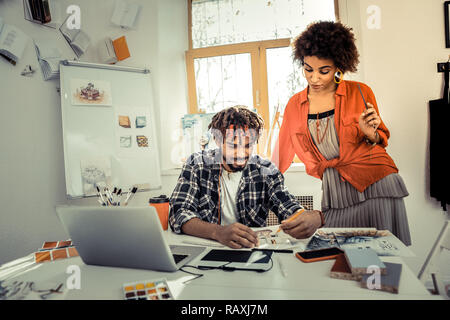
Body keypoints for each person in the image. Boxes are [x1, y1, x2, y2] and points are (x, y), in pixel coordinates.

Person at [272, 21, 411, 245]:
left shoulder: (360, 92)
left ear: (339, 67)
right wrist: (261, 181)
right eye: (308, 69)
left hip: (376, 183)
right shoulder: (294, 104)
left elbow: (380, 139)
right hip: (335, 188)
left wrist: (370, 133)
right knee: (342, 257)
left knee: (383, 258)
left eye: (323, 71)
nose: (314, 78)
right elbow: (281, 153)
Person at [169, 106, 325, 249]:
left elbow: (288, 207)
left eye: (248, 145)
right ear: (217, 140)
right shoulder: (197, 164)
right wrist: (218, 232)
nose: (241, 154)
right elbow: (179, 214)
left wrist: (308, 218)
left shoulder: (266, 170)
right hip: (207, 248)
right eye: (233, 145)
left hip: (251, 250)